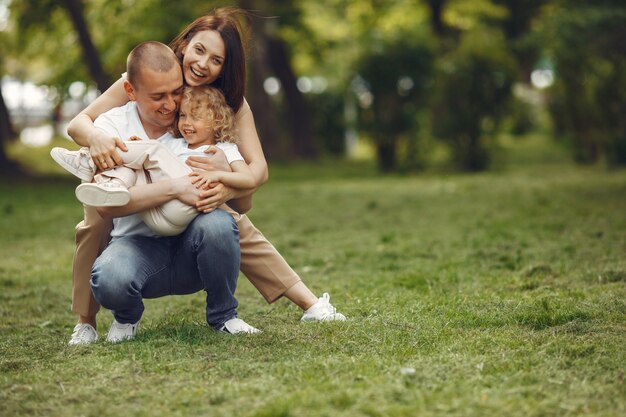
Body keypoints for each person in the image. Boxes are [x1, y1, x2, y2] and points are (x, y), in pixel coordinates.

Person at [65, 7, 344, 345]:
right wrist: (96, 138)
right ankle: (86, 320)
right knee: (95, 216)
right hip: (133, 196)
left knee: (226, 216)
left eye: (217, 60)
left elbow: (257, 173)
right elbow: (80, 121)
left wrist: (225, 181)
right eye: (199, 50)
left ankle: (301, 303)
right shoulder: (150, 74)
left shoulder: (224, 104)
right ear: (184, 45)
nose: (203, 64)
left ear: (226, 68)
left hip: (195, 206)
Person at [86, 41, 261, 343]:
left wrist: (224, 174)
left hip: (191, 246)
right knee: (109, 278)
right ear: (131, 92)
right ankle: (127, 318)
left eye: (176, 93)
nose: (171, 105)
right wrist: (173, 186)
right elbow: (107, 207)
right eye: (158, 97)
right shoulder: (111, 126)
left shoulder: (185, 133)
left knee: (220, 225)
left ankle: (224, 315)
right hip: (136, 244)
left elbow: (247, 189)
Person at [52, 85, 255, 236]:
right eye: (183, 115)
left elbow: (249, 180)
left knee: (153, 149)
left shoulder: (224, 148)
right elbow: (154, 164)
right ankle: (111, 185)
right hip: (158, 218)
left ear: (217, 121)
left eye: (196, 117)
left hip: (182, 211)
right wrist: (138, 144)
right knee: (136, 167)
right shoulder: (177, 144)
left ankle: (87, 161)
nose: (186, 123)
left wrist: (219, 174)